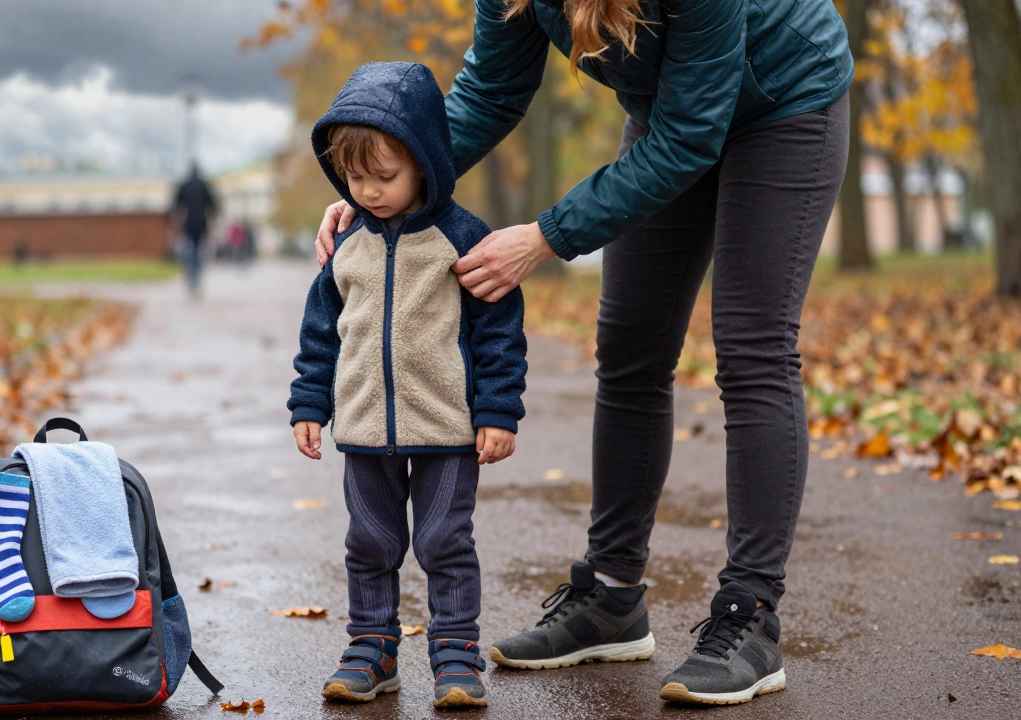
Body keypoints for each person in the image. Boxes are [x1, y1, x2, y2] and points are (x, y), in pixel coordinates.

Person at [315, 0, 853, 706]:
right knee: (629, 347)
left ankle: (749, 616)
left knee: (752, 348)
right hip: (671, 112)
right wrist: (390, 179)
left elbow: (693, 134)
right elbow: (490, 91)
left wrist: (546, 235)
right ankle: (611, 596)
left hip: (786, 102)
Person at [288, 62, 527, 709]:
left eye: (384, 176)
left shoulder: (462, 238)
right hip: (365, 429)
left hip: (448, 428)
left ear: (424, 159)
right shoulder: (347, 247)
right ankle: (372, 648)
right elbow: (321, 334)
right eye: (355, 177)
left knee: (444, 542)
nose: (368, 191)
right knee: (370, 542)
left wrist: (498, 411)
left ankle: (455, 655)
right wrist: (309, 402)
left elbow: (498, 328)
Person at [171, 163, 216, 295]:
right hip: (202, 222)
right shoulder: (204, 185)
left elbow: (176, 204)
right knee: (198, 250)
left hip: (188, 222)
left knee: (189, 249)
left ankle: (191, 274)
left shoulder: (185, 185)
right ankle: (196, 276)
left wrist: (176, 219)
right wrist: (213, 217)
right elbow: (213, 204)